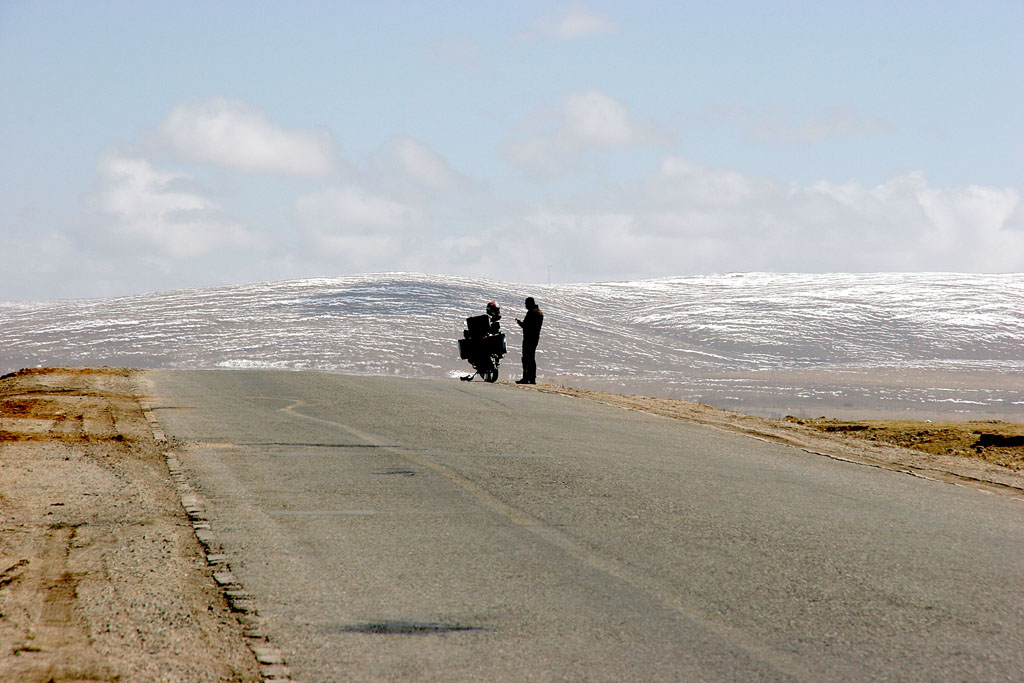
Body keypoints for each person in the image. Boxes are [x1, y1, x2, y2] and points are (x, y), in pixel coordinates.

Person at [515, 297, 544, 384]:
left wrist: (520, 322)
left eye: (526, 304)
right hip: (535, 338)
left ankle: (526, 378)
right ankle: (532, 378)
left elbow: (526, 326)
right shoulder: (539, 313)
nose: (525, 306)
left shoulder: (532, 313)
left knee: (526, 358)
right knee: (531, 358)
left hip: (529, 338)